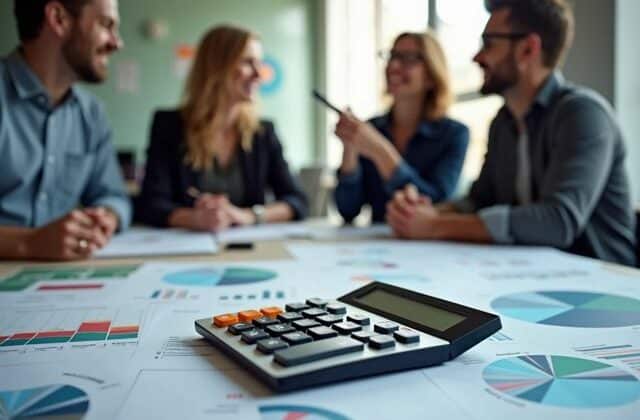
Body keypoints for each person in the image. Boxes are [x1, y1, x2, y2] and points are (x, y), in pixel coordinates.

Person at [387, 0, 636, 266]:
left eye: (489, 44)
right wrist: (422, 212)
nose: (477, 57)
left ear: (528, 49)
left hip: (601, 286)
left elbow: (558, 221)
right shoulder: (502, 123)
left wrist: (436, 225)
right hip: (531, 276)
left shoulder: (583, 114)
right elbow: (478, 201)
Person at [137, 25, 308, 231]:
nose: (258, 74)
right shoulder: (169, 126)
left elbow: (297, 201)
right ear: (217, 66)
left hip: (249, 248)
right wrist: (194, 218)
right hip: (185, 250)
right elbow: (151, 204)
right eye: (247, 62)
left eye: (259, 63)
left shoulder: (262, 132)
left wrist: (248, 216)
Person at [0, 0, 131, 261]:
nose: (117, 43)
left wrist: (106, 217)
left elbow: (114, 196)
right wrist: (28, 243)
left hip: (58, 281)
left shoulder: (92, 113)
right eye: (106, 25)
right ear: (58, 19)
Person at [333, 32, 469, 224]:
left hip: (430, 245)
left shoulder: (454, 134)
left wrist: (382, 153)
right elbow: (348, 209)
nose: (393, 66)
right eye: (392, 56)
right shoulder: (372, 129)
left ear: (431, 75)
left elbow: (437, 203)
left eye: (408, 59)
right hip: (378, 246)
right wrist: (350, 147)